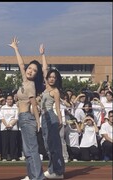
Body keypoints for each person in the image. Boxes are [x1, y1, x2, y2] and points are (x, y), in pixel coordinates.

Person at [8, 37, 44, 180]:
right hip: (23, 119)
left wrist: (38, 122)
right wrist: (16, 48)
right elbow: (21, 64)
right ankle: (32, 176)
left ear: (36, 74)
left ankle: (38, 177)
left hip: (28, 119)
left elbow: (34, 105)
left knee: (32, 150)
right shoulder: (24, 80)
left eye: (34, 70)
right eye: (30, 68)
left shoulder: (31, 86)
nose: (30, 71)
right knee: (27, 151)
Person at [40, 44, 65, 179]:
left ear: (56, 79)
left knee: (54, 145)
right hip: (44, 117)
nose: (52, 78)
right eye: (51, 76)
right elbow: (45, 69)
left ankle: (58, 171)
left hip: (51, 116)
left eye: (54, 77)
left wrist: (60, 120)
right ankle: (52, 169)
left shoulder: (55, 91)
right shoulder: (45, 87)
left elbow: (58, 107)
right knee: (47, 145)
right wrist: (43, 55)